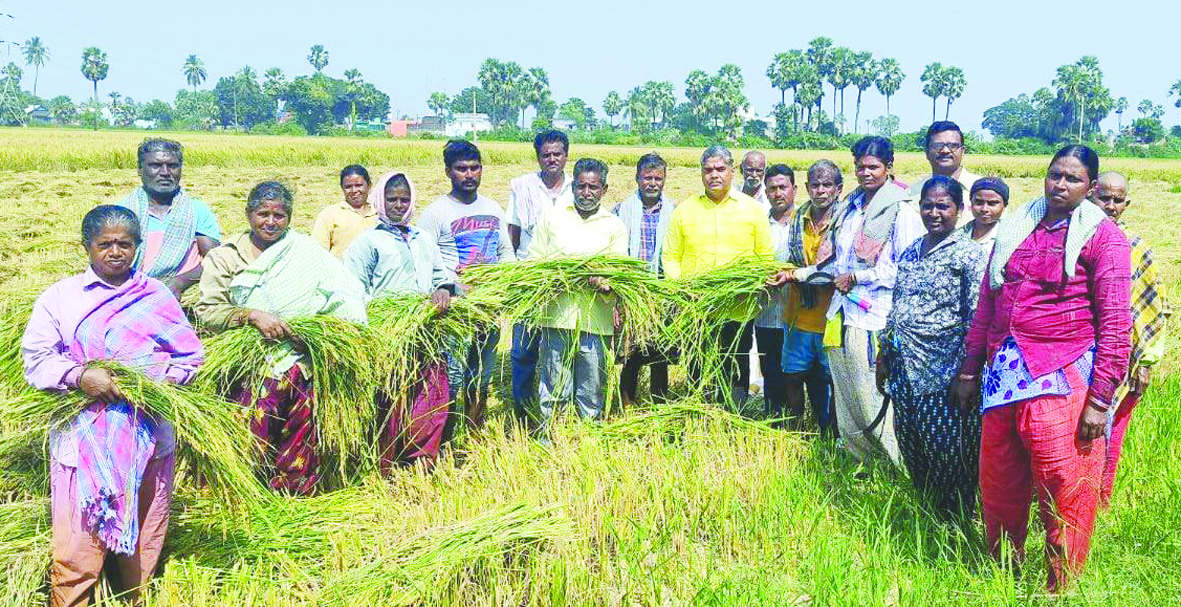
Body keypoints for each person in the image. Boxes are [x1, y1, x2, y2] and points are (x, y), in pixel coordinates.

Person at [952, 145, 1131, 592]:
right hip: (1004, 377)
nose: (1060, 185)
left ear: (1090, 187)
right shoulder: (1017, 227)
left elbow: (1114, 323)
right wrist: (970, 370)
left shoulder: (1104, 238)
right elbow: (988, 304)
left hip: (1061, 376)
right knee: (999, 481)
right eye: (1055, 175)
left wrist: (1100, 401)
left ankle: (1060, 585)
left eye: (1072, 179)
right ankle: (1003, 572)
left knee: (1065, 485)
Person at [22, 205, 204, 607]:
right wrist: (80, 376)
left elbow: (190, 358)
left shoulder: (154, 295)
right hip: (82, 442)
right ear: (87, 247)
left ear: (138, 247)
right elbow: (37, 360)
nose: (116, 252)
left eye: (125, 244)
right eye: (105, 244)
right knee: (76, 552)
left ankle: (133, 598)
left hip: (148, 438)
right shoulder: (62, 298)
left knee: (141, 544)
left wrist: (154, 380)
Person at [196, 181, 367, 495]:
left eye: (280, 215)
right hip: (247, 366)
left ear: (290, 217)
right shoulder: (226, 257)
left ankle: (292, 495)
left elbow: (340, 294)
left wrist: (318, 334)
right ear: (249, 214)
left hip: (302, 362)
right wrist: (250, 315)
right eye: (263, 214)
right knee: (249, 435)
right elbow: (208, 310)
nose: (271, 222)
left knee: (301, 434)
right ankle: (243, 492)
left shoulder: (302, 251)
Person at [876, 176, 983, 515]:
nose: (934, 213)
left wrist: (967, 375)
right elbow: (897, 306)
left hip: (944, 373)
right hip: (905, 367)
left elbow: (977, 318)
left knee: (947, 451)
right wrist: (884, 352)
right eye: (927, 205)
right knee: (911, 442)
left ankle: (954, 520)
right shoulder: (912, 250)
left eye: (943, 206)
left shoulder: (968, 255)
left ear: (959, 210)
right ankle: (926, 511)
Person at [816, 136, 923, 464]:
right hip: (841, 315)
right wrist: (801, 274)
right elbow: (839, 259)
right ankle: (859, 463)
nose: (866, 173)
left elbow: (905, 267)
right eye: (860, 166)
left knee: (873, 396)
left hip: (876, 317)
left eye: (873, 167)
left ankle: (894, 466)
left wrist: (858, 278)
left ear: (889, 168)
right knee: (847, 395)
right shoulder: (849, 208)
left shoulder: (901, 211)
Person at [345, 172, 458, 466]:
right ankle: (386, 461)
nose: (398, 205)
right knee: (390, 399)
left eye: (404, 199)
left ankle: (422, 458)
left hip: (427, 332)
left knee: (431, 395)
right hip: (388, 335)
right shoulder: (367, 242)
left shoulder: (424, 238)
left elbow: (440, 274)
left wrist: (444, 289)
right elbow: (353, 289)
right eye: (392, 199)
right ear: (380, 201)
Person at [663, 145, 773, 406]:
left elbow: (765, 257)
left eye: (720, 169)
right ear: (701, 173)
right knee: (698, 363)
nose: (714, 175)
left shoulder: (752, 210)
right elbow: (670, 257)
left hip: (737, 308)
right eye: (708, 170)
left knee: (735, 364)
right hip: (697, 309)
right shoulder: (684, 210)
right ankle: (699, 411)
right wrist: (683, 289)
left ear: (732, 171)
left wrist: (749, 286)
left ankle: (734, 414)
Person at [416, 140, 515, 427]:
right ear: (448, 171)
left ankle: (474, 427)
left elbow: (505, 251)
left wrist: (503, 281)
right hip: (454, 309)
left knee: (482, 371)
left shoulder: (493, 208)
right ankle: (445, 432)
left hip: (488, 306)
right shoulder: (436, 213)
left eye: (475, 168)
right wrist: (444, 286)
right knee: (453, 373)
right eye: (461, 169)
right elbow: (424, 258)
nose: (469, 174)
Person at [526, 158, 627, 434]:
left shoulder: (614, 226)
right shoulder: (552, 217)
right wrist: (552, 280)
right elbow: (534, 263)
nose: (586, 192)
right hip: (557, 318)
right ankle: (551, 439)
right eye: (581, 186)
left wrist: (604, 283)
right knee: (555, 388)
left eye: (593, 187)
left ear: (604, 189)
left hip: (597, 322)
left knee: (591, 391)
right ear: (573, 187)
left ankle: (587, 442)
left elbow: (619, 275)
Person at [1089, 171, 1171, 506]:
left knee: (1109, 433)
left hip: (1122, 360)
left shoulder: (1137, 248)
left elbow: (1153, 308)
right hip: (1078, 351)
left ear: (1127, 203)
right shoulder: (1074, 239)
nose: (1110, 206)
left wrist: (1147, 362)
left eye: (1117, 200)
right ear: (1090, 195)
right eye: (1103, 198)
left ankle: (1098, 503)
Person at [506, 130, 573, 419]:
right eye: (546, 154)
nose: (552, 159)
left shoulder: (577, 186)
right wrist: (513, 274)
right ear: (538, 157)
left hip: (566, 280)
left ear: (566, 156)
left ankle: (555, 411)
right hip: (529, 277)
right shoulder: (522, 187)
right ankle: (522, 407)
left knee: (559, 349)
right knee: (523, 349)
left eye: (557, 153)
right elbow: (512, 232)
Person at [771, 160, 841, 432]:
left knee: (833, 382)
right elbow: (789, 259)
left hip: (831, 320)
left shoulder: (844, 220)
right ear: (807, 187)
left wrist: (797, 274)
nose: (820, 190)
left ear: (838, 188)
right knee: (792, 377)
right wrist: (785, 273)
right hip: (798, 317)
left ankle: (833, 435)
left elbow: (838, 267)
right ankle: (796, 431)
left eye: (827, 185)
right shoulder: (798, 219)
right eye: (815, 185)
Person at [115, 138, 221, 298]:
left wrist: (180, 282)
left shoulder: (196, 210)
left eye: (172, 166)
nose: (165, 172)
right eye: (155, 165)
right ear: (140, 169)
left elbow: (216, 261)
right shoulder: (121, 212)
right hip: (129, 293)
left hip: (183, 297)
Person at [615, 152, 675, 407]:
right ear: (637, 178)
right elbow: (614, 254)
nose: (653, 183)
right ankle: (627, 403)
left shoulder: (674, 212)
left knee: (660, 352)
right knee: (631, 353)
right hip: (632, 293)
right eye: (647, 177)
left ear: (664, 180)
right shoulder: (621, 210)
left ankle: (659, 404)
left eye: (658, 178)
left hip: (661, 293)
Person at [753, 164, 796, 419]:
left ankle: (798, 420)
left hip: (799, 314)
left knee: (797, 371)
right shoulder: (759, 224)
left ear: (794, 189)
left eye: (783, 187)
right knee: (770, 370)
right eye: (772, 189)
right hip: (767, 313)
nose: (778, 193)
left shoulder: (806, 223)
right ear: (765, 192)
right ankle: (774, 419)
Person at [909, 122, 980, 227]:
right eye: (938, 145)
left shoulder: (983, 190)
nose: (945, 151)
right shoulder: (913, 193)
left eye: (953, 146)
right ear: (927, 152)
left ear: (963, 151)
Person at [311, 165, 378, 257]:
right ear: (342, 188)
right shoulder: (330, 214)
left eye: (359, 185)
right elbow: (318, 251)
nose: (354, 190)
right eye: (348, 186)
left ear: (369, 185)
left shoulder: (379, 215)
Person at [960, 177, 1009, 258]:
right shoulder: (959, 234)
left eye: (992, 203)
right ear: (971, 202)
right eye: (978, 202)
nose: (984, 209)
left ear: (1004, 206)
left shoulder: (1009, 238)